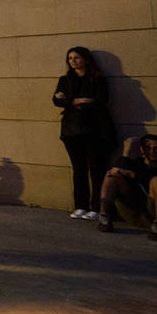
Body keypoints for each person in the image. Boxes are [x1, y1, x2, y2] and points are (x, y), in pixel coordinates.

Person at [52, 46, 115, 221]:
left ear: (86, 59)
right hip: (72, 130)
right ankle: (80, 205)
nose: (73, 61)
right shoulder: (65, 79)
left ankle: (96, 206)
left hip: (94, 129)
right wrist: (79, 100)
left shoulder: (97, 79)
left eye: (77, 57)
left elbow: (101, 100)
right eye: (70, 58)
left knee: (96, 168)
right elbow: (57, 100)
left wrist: (70, 101)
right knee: (78, 169)